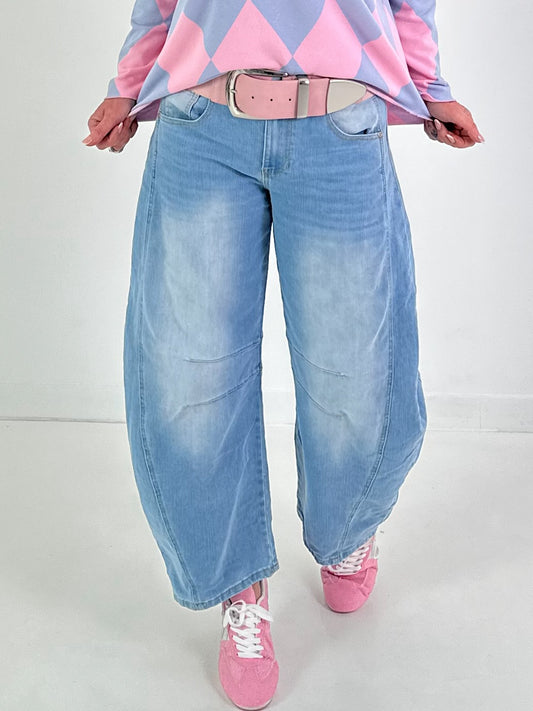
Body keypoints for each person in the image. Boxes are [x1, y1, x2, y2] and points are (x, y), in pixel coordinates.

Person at [82, 2, 483, 708]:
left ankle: (346, 530)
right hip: (202, 122)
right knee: (189, 375)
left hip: (341, 123)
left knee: (356, 372)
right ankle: (239, 584)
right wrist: (130, 82)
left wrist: (430, 85)